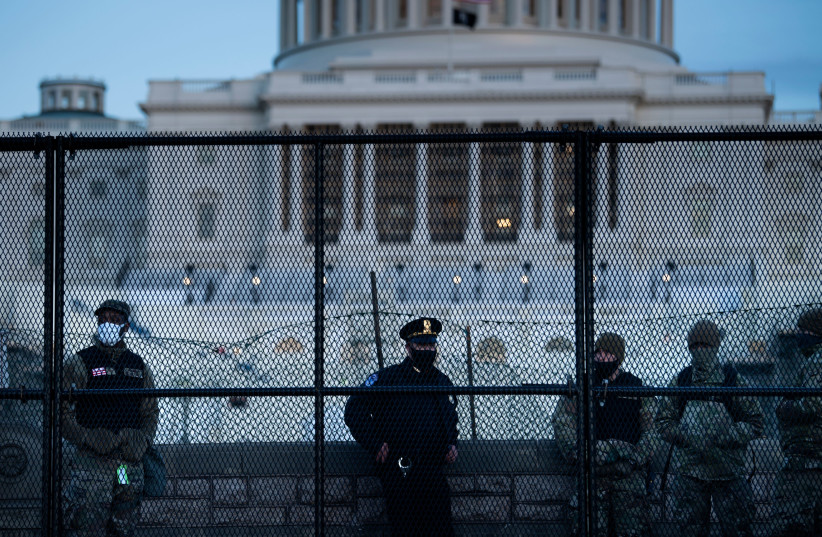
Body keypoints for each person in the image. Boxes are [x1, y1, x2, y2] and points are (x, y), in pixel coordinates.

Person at [344, 317, 458, 537]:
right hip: (400, 469)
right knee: (406, 528)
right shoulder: (388, 379)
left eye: (431, 345)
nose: (427, 350)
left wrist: (452, 442)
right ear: (409, 348)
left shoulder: (441, 381)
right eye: (421, 345)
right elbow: (354, 408)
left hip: (432, 468)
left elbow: (449, 416)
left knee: (441, 528)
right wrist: (375, 443)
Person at [656, 320, 763, 537]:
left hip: (728, 471)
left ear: (715, 347)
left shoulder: (732, 380)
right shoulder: (682, 381)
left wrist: (727, 436)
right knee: (690, 531)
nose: (699, 351)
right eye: (695, 347)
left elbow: (756, 422)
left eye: (705, 346)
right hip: (690, 473)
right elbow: (663, 421)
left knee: (738, 530)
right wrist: (688, 438)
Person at [62, 300, 159, 537]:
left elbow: (150, 411)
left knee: (123, 524)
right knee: (88, 525)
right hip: (92, 464)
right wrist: (87, 436)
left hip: (125, 465)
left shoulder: (139, 367)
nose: (108, 324)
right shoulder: (79, 362)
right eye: (103, 319)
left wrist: (142, 441)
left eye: (114, 320)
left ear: (126, 326)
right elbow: (61, 412)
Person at [552, 332, 658, 537]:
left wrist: (634, 459)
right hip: (591, 474)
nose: (599, 357)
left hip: (628, 476)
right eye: (597, 353)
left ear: (618, 357)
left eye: (606, 353)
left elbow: (653, 431)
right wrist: (585, 453)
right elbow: (563, 424)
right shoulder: (582, 386)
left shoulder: (636, 388)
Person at [772, 308, 822, 537]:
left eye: (803, 330)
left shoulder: (815, 362)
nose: (799, 335)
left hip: (809, 453)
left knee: (789, 522)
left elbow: (813, 404)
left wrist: (785, 408)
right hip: (811, 453)